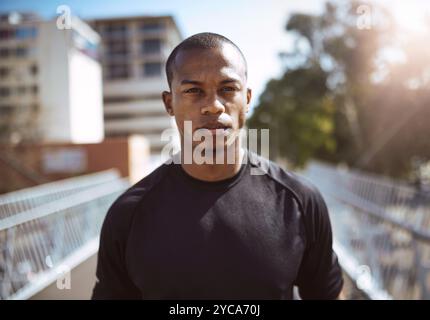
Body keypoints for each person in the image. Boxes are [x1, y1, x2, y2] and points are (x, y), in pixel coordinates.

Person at [91, 32, 344, 300]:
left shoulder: (300, 202)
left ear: (246, 100)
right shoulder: (127, 216)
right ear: (169, 103)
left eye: (227, 89)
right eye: (193, 91)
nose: (213, 106)